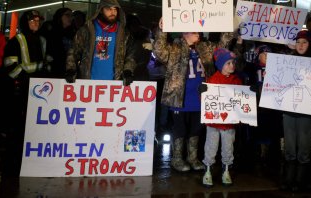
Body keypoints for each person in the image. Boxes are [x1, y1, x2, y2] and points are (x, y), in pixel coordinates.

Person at [153, 18, 234, 172]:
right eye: (194, 31)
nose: (198, 33)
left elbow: (222, 47)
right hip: (179, 98)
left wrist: (227, 28)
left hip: (201, 98)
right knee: (180, 130)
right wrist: (162, 31)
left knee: (196, 129)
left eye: (198, 30)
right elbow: (159, 52)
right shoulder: (175, 47)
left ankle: (192, 158)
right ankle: (177, 159)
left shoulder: (205, 47)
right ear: (185, 33)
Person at [1, 10, 48, 176]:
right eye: (33, 20)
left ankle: (24, 162)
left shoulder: (41, 40)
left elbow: (45, 63)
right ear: (25, 23)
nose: (36, 23)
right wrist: (25, 79)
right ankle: (10, 166)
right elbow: (9, 65)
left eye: (38, 20)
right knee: (15, 129)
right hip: (18, 91)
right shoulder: (16, 41)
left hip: (36, 92)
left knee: (30, 129)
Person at [280, 30, 311, 192]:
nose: (301, 45)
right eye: (298, 42)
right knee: (289, 146)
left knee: (304, 146)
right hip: (289, 110)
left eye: (304, 42)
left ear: (310, 44)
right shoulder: (289, 59)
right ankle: (289, 177)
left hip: (307, 112)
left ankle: (301, 179)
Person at [65, 0, 136, 84]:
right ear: (101, 10)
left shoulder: (123, 33)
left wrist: (128, 70)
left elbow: (130, 54)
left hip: (114, 83)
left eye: (115, 9)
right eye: (109, 9)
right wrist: (71, 69)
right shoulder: (88, 30)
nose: (112, 12)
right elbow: (74, 50)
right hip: (88, 81)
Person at [201, 48, 242, 187]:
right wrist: (202, 93)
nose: (232, 66)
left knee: (228, 147)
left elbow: (241, 100)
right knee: (211, 147)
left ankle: (226, 171)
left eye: (233, 63)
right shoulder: (212, 80)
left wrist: (249, 94)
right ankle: (207, 171)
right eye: (228, 63)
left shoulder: (237, 81)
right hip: (213, 123)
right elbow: (206, 101)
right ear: (220, 65)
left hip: (229, 124)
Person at [44, 8, 74, 78]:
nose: (70, 18)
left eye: (71, 15)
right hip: (54, 70)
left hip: (68, 70)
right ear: (60, 16)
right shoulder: (51, 32)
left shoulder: (72, 33)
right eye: (67, 15)